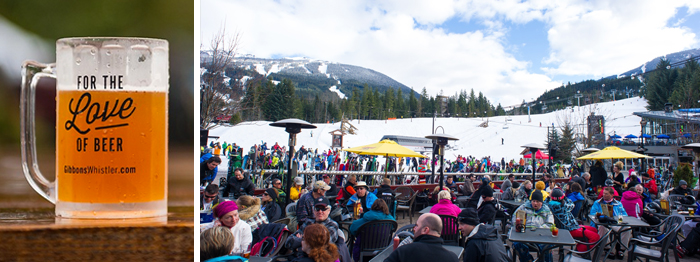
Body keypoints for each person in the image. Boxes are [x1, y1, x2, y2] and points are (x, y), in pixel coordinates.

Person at [385, 213, 460, 262]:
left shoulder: (404, 252)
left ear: (425, 230)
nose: (414, 229)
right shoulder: (452, 258)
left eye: (417, 226)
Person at [512, 190, 554, 262]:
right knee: (517, 244)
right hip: (524, 236)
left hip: (540, 237)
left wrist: (539, 229)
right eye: (533, 201)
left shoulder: (546, 210)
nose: (535, 203)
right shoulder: (523, 208)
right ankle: (528, 260)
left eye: (537, 201)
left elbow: (550, 224)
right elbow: (514, 219)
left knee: (548, 246)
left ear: (541, 202)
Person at [589, 187, 629, 259]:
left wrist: (619, 219)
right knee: (602, 227)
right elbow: (592, 213)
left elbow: (624, 214)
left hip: (615, 223)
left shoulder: (618, 204)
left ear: (612, 195)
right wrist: (601, 215)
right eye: (603, 193)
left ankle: (621, 248)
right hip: (603, 222)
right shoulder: (597, 203)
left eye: (606, 194)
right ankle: (607, 248)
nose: (604, 195)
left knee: (627, 228)